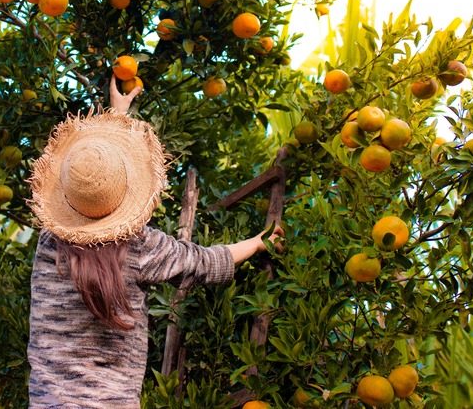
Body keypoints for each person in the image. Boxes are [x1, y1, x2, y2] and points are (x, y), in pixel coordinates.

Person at [26, 76, 283, 408]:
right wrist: (256, 243)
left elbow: (91, 175)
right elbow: (201, 262)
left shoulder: (49, 243)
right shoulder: (138, 247)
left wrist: (117, 114)